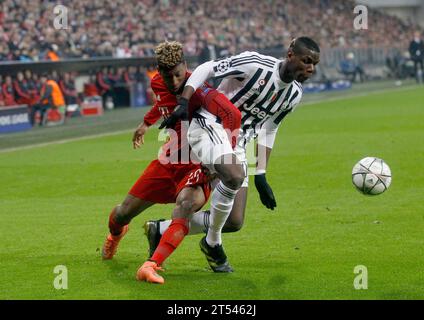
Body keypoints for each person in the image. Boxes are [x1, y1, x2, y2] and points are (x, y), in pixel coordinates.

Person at [147, 36, 321, 271]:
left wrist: (261, 173)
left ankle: (161, 229)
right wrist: (184, 100)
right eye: (306, 61)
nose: (310, 68)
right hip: (212, 124)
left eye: (314, 64)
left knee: (234, 221)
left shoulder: (294, 95)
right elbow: (207, 68)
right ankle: (212, 243)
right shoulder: (255, 64)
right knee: (234, 175)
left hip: (241, 145)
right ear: (290, 55)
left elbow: (270, 128)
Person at [101, 41, 241, 284]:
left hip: (197, 166)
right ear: (159, 73)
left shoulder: (198, 90)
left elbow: (232, 115)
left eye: (178, 75)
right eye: (168, 77)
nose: (174, 82)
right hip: (168, 162)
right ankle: (116, 235)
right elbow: (162, 103)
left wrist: (222, 159)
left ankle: (151, 264)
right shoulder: (157, 82)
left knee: (186, 205)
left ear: (186, 68)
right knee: (122, 213)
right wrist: (146, 123)